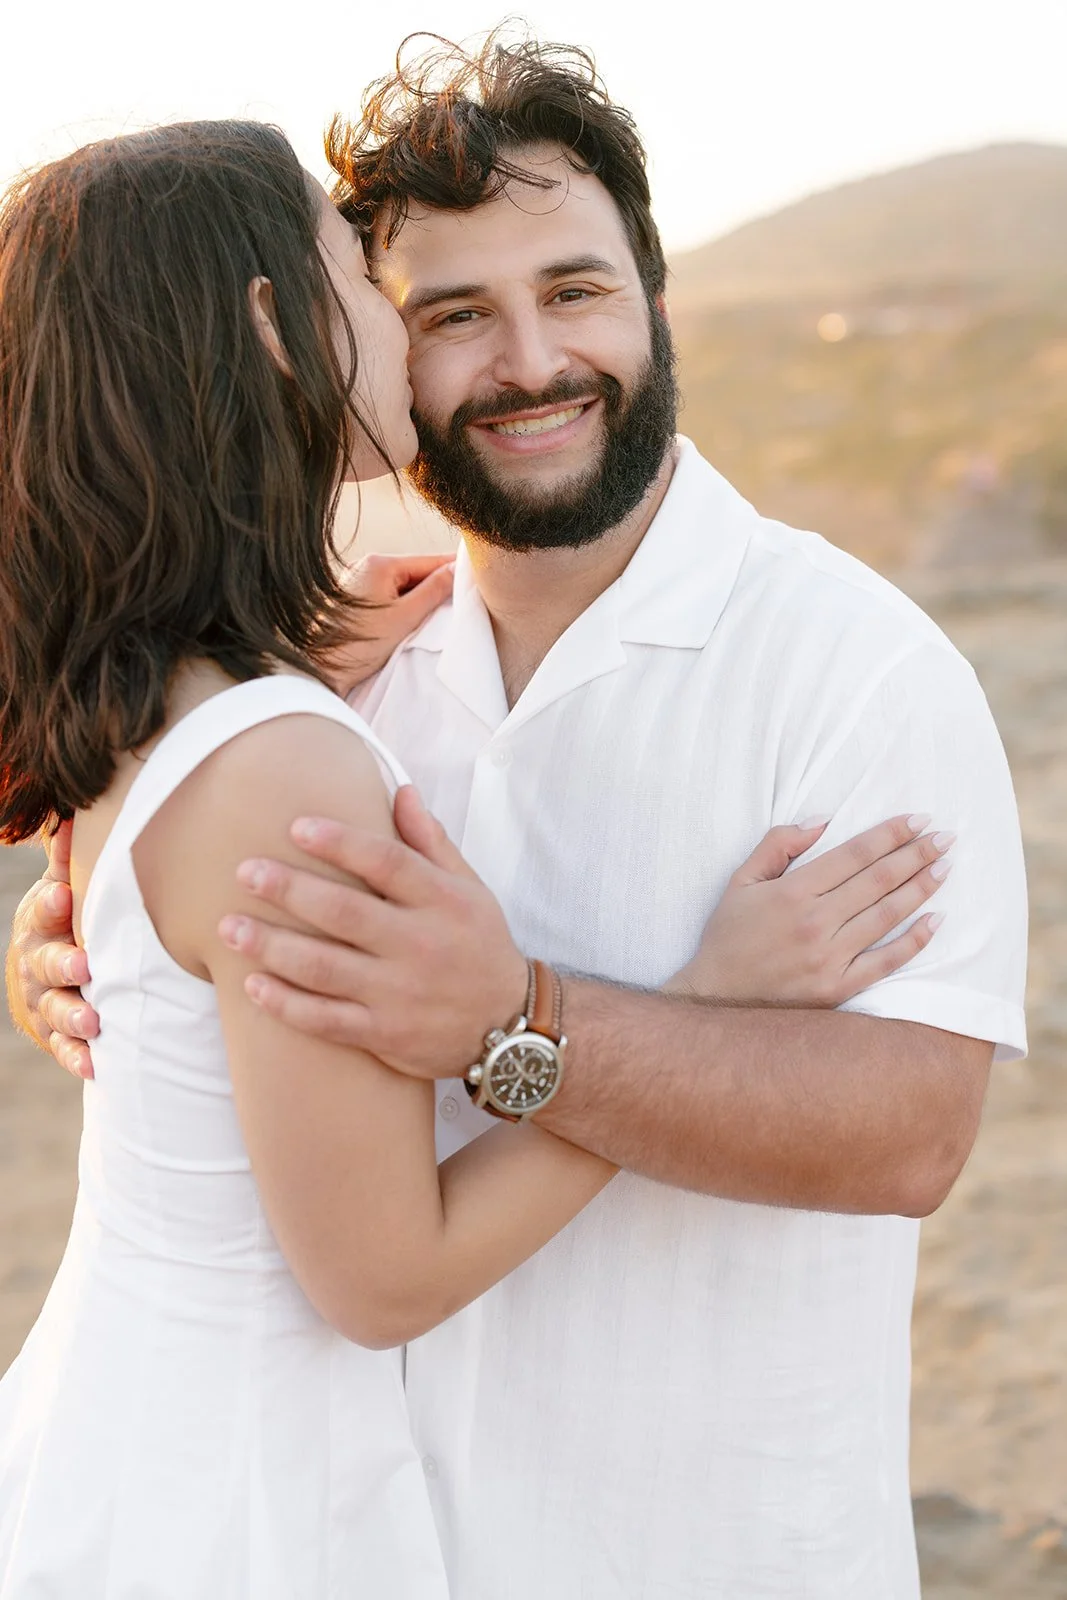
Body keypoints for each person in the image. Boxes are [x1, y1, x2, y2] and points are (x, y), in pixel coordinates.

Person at [5, 34, 1027, 1600]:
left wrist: (518, 1024)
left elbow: (910, 1134)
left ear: (657, 301)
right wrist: (89, 957)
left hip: (699, 1545)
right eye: (447, 315)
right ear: (335, 345)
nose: (529, 362)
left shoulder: (850, 663)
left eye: (574, 291)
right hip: (359, 1527)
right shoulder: (336, 672)